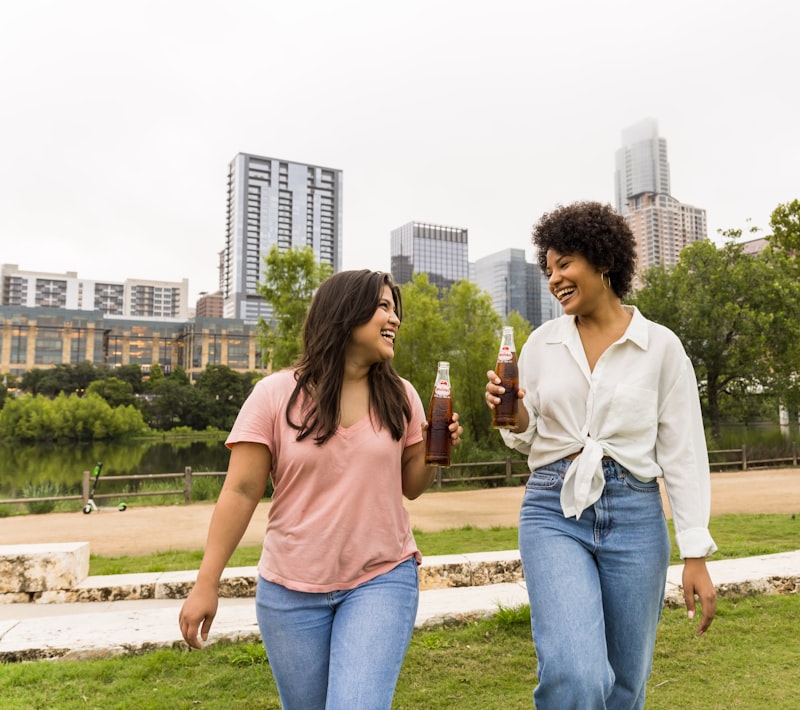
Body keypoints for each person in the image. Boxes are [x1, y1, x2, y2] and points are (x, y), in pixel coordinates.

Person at [179, 270, 462, 710]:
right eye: (383, 307)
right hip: (289, 591)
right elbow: (239, 492)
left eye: (395, 309)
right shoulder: (273, 395)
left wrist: (433, 452)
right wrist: (206, 583)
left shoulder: (402, 396)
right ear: (345, 314)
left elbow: (412, 488)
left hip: (381, 577)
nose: (395, 319)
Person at [485, 201, 717, 709]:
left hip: (636, 516)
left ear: (603, 260)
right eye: (548, 269)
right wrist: (516, 417)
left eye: (564, 263)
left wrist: (694, 552)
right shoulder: (541, 345)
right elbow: (527, 436)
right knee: (576, 672)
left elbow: (683, 454)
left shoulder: (661, 348)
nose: (554, 279)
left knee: (626, 684)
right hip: (553, 510)